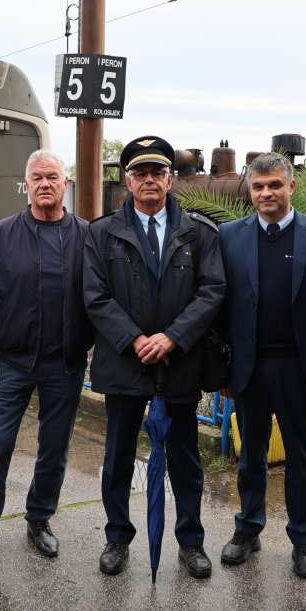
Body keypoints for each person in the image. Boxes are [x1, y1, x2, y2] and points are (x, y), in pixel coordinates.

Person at [83, 135, 225, 579]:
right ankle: (117, 537)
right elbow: (95, 295)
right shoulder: (101, 233)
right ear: (128, 181)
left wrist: (173, 337)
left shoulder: (198, 233)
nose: (149, 180)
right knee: (118, 457)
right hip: (125, 362)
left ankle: (191, 541)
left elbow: (212, 290)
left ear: (170, 179)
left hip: (179, 362)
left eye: (157, 172)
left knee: (185, 457)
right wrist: (134, 339)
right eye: (140, 173)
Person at [0, 150, 93, 580]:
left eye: (53, 177)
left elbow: (101, 298)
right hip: (11, 362)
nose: (45, 184)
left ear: (66, 184)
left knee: (54, 448)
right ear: (27, 185)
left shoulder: (87, 236)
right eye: (38, 178)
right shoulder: (2, 235)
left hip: (64, 364)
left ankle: (39, 519)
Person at [218, 153, 306, 579]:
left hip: (296, 368)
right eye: (259, 186)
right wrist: (223, 368)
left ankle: (304, 539)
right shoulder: (229, 236)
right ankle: (248, 529)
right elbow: (220, 304)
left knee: (301, 455)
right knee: (251, 455)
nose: (266, 193)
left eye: (275, 185)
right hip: (249, 367)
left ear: (291, 186)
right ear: (249, 189)